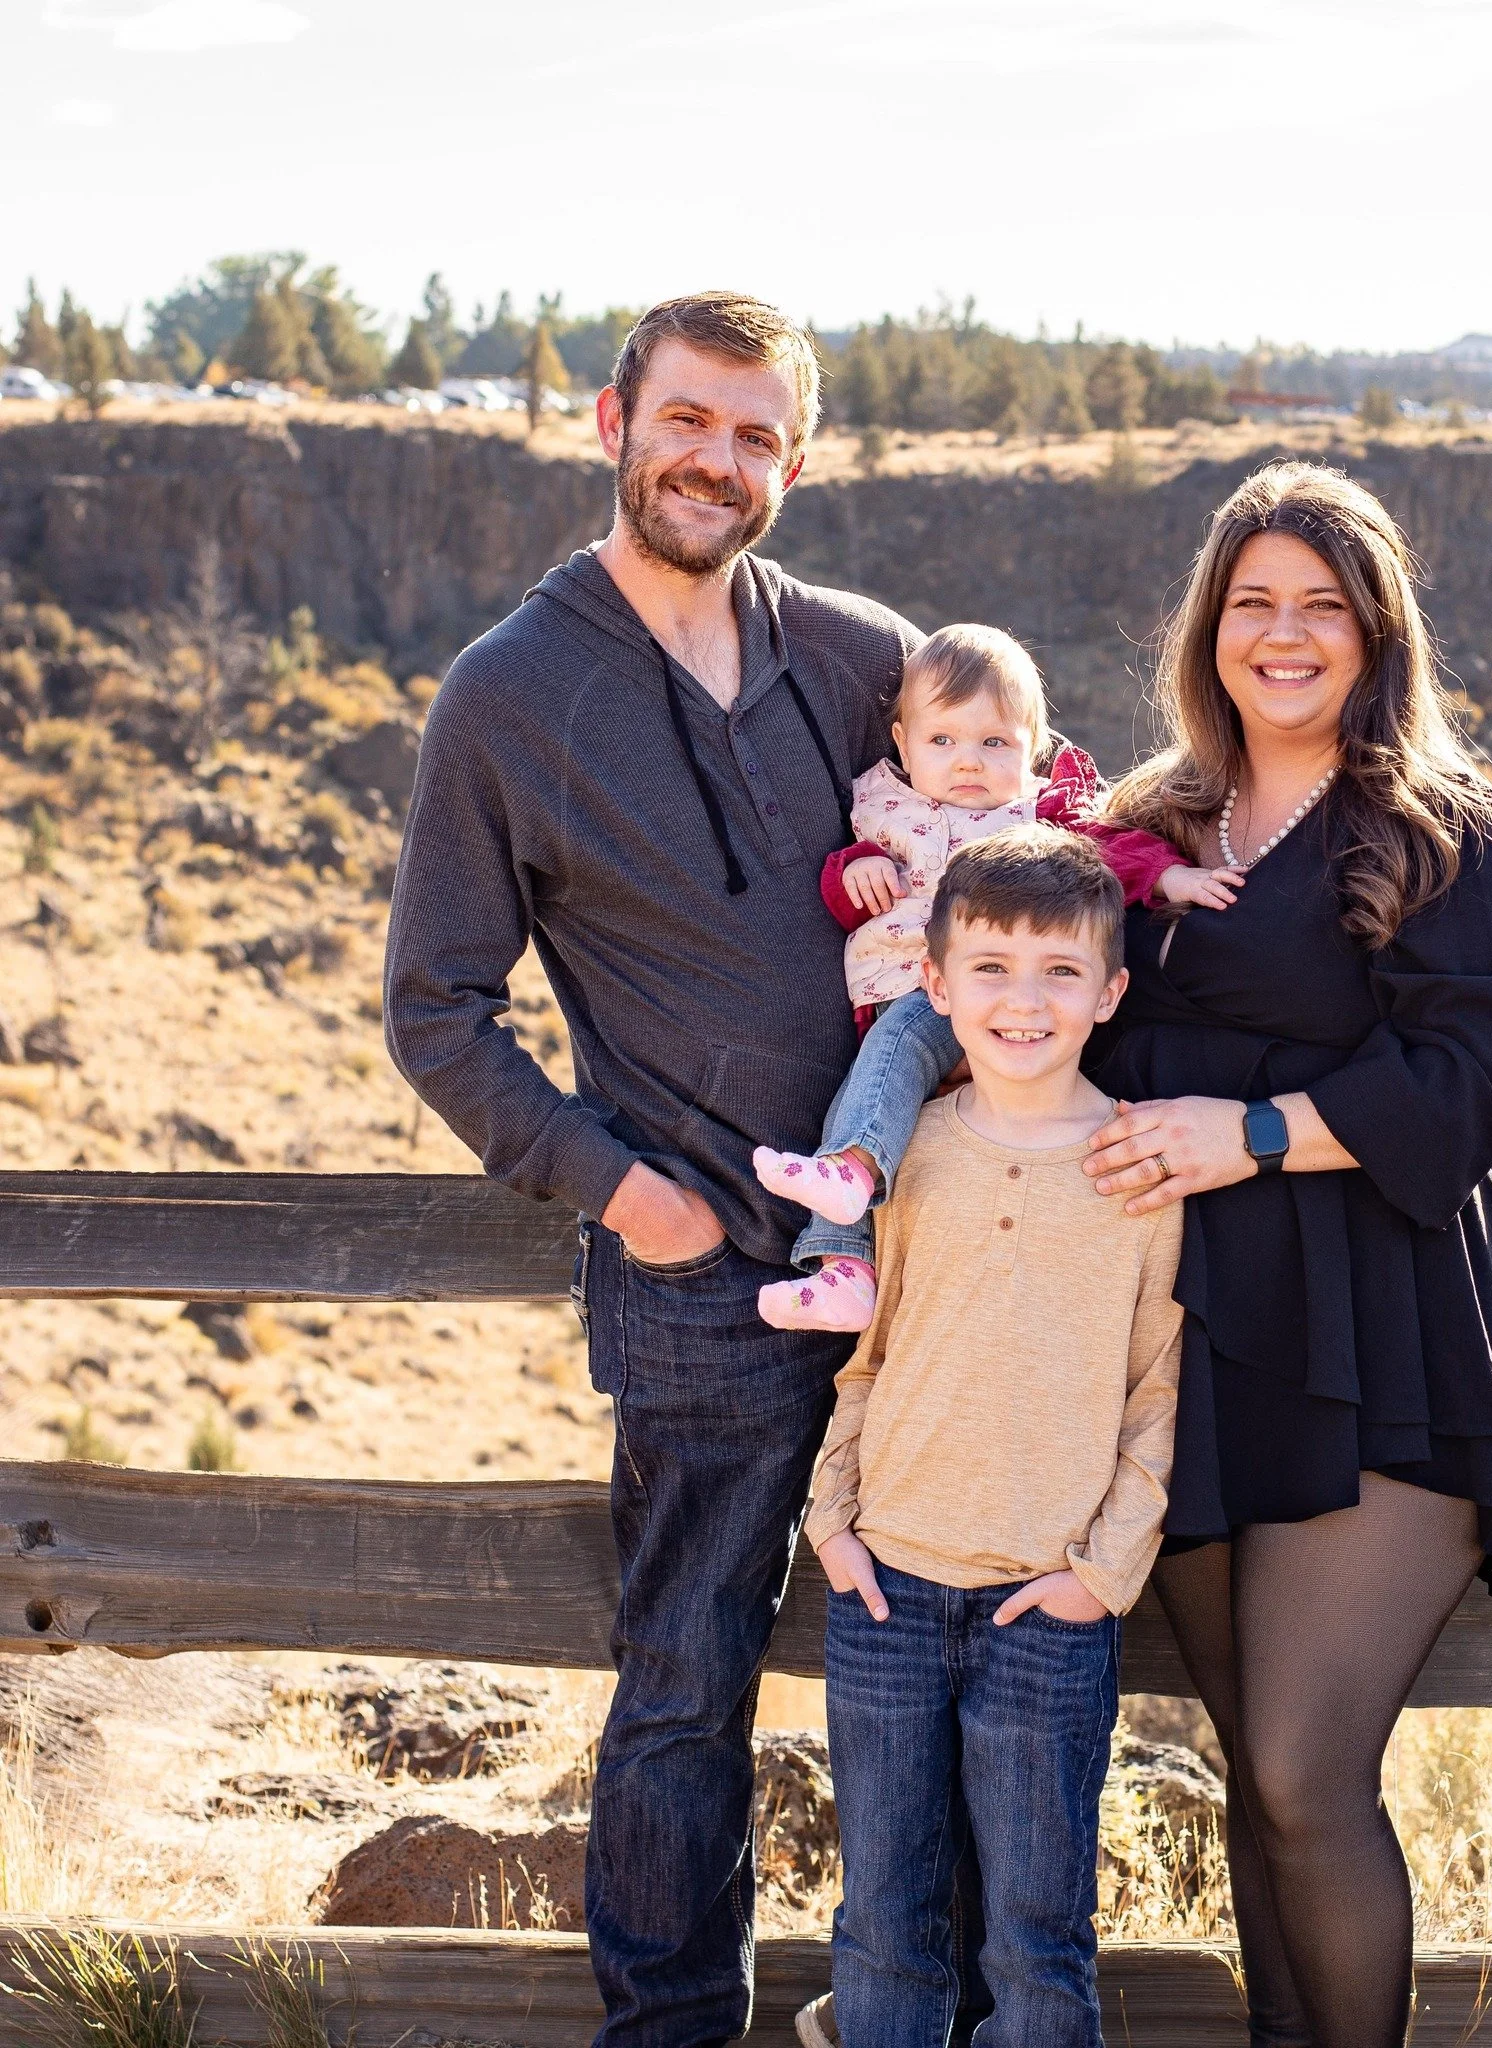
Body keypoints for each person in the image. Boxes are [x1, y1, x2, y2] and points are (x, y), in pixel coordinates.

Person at [382, 292, 924, 2048]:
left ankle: (935, 2007)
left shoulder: (857, 657)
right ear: (612, 420)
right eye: (690, 420)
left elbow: (1006, 858)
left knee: (933, 1671)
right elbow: (435, 1010)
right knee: (688, 1690)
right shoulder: (511, 692)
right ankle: (673, 2027)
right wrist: (622, 1190)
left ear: (798, 458)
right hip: (699, 1291)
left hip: (923, 1276)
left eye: (758, 434)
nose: (718, 460)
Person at [1080, 460, 1492, 2047]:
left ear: (1377, 633)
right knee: (1254, 1772)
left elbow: (1464, 1093)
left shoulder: (1445, 834)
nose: (1284, 635)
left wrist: (1251, 1133)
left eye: (1322, 606)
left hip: (1386, 1344)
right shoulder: (1143, 829)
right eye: (1254, 605)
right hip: (1195, 1343)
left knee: (1307, 1771)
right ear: (1208, 630)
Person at [796, 827, 1185, 2048]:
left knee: (1034, 1934)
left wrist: (1101, 1571)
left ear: (1109, 990)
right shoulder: (904, 1159)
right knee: (883, 1923)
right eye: (992, 967)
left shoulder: (1138, 1168)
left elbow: (1156, 1383)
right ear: (935, 982)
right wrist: (832, 1520)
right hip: (886, 1593)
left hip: (1044, 1607)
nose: (1023, 1000)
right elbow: (864, 1350)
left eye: (1059, 971)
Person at [751, 622, 1239, 1332]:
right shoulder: (879, 808)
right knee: (866, 1097)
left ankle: (850, 1174)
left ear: (1033, 748)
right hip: (895, 996)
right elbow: (838, 894)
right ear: (903, 741)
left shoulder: (1039, 815)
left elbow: (1116, 853)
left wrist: (1172, 875)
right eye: (943, 741)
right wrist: (855, 869)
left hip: (969, 1004)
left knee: (888, 1070)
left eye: (995, 743)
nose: (968, 762)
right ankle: (845, 1270)